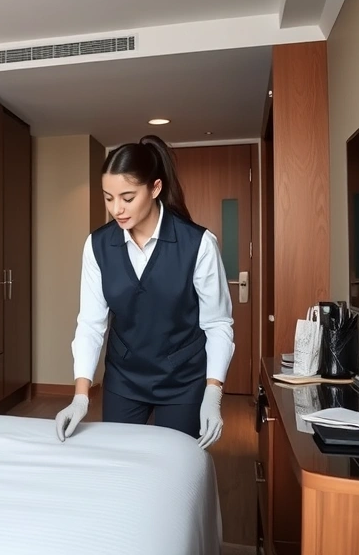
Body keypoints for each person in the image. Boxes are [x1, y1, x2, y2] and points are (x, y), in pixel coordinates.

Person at [54, 135, 235, 450]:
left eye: (127, 197)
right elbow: (91, 323)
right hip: (125, 379)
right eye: (108, 198)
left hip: (183, 381)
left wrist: (213, 392)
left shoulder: (198, 244)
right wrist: (81, 396)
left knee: (176, 466)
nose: (116, 209)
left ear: (155, 189)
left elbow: (217, 323)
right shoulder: (97, 246)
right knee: (119, 464)